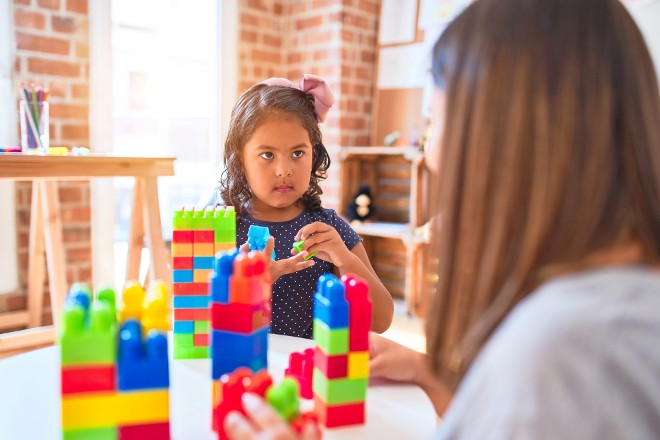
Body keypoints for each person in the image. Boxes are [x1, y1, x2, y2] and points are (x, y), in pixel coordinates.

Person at [222, 0, 660, 438]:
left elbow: (382, 313)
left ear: (515, 137)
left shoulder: (561, 353)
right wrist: (436, 378)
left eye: (437, 122)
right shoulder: (590, 323)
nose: (429, 157)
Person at [219, 74, 394, 339]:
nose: (284, 170)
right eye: (267, 155)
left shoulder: (329, 229)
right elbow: (199, 327)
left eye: (297, 153)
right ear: (239, 159)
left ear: (314, 154)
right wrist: (250, 288)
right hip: (242, 371)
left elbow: (380, 321)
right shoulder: (223, 228)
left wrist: (346, 261)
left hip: (312, 374)